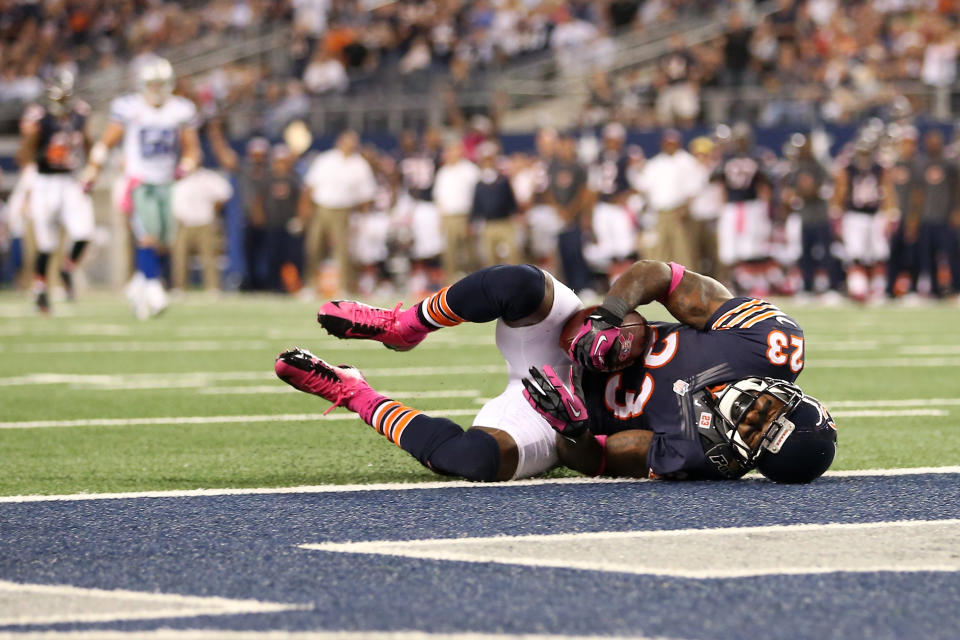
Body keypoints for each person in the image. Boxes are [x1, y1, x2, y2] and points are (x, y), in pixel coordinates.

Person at [275, 260, 837, 484]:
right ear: (793, 395)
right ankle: (405, 325)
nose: (752, 412)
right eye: (771, 410)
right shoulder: (766, 344)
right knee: (520, 284)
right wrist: (615, 316)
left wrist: (569, 429)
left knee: (472, 460)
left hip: (558, 402)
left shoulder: (705, 457)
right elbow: (659, 276)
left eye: (757, 430)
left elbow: (595, 461)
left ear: (750, 457)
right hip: (577, 337)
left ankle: (353, 393)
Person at [81, 56, 201, 319]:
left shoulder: (180, 109)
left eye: (160, 84)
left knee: (165, 240)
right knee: (146, 235)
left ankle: (139, 283)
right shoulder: (129, 107)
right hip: (139, 180)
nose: (156, 89)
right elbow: (107, 141)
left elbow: (192, 148)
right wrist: (94, 166)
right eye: (151, 84)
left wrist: (188, 164)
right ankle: (155, 289)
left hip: (167, 181)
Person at [18, 70, 94, 313]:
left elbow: (88, 142)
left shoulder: (80, 113)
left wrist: (92, 167)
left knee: (85, 231)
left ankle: (67, 268)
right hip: (44, 181)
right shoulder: (39, 116)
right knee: (46, 244)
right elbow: (24, 154)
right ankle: (40, 290)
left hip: (70, 180)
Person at [303, 130, 377, 296]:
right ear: (339, 142)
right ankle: (310, 285)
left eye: (353, 142)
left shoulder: (359, 164)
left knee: (343, 251)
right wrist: (306, 211)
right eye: (347, 141)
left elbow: (366, 195)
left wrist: (364, 218)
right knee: (314, 247)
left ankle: (344, 288)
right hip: (321, 208)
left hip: (344, 210)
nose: (350, 145)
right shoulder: (325, 160)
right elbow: (310, 187)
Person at [170, 167, 233, 293]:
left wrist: (214, 209)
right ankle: (179, 287)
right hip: (183, 223)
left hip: (204, 222)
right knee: (179, 257)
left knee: (209, 257)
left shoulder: (207, 177)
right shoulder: (178, 177)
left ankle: (213, 288)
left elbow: (226, 192)